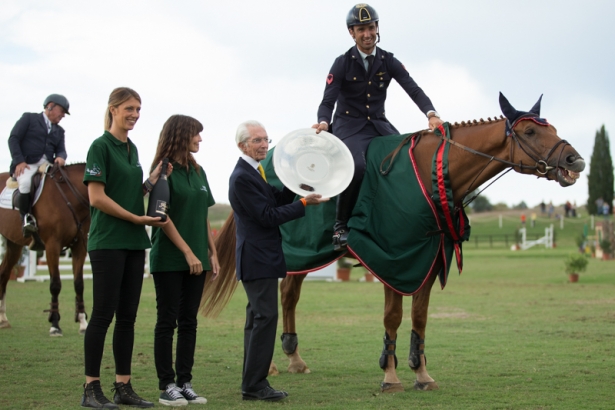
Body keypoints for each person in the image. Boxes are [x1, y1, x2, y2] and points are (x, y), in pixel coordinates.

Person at [312, 3, 444, 251]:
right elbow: (327, 101)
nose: (367, 34)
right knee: (358, 166)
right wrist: (322, 121)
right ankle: (341, 226)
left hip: (379, 126)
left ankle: (397, 220)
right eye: (361, 29)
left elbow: (413, 88)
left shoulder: (388, 60)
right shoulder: (341, 63)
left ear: (377, 28)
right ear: (352, 32)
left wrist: (431, 114)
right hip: (348, 127)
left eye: (371, 27)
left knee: (407, 160)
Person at [81, 87, 168, 409]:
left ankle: (123, 386)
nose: (134, 114)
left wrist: (151, 180)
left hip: (133, 242)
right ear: (113, 109)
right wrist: (136, 218)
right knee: (102, 315)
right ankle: (91, 389)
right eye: (129, 108)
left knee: (128, 318)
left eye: (138, 109)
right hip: (108, 241)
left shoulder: (131, 149)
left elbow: (131, 191)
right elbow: (97, 198)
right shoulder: (99, 146)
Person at [229, 120, 327, 401]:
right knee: (265, 318)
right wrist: (304, 205)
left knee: (256, 319)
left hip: (263, 258)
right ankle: (256, 384)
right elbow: (268, 216)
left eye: (266, 140)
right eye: (257, 141)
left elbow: (277, 198)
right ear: (242, 145)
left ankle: (252, 383)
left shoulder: (256, 174)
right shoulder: (242, 178)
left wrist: (299, 182)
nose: (264, 145)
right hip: (256, 259)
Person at [149, 115, 219, 406]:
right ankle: (167, 385)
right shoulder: (162, 171)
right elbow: (162, 217)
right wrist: (188, 252)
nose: (200, 139)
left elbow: (203, 215)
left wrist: (211, 253)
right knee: (167, 321)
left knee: (189, 321)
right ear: (180, 135)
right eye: (196, 134)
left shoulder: (199, 171)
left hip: (198, 259)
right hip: (169, 258)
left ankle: (184, 382)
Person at [8, 94, 70, 237]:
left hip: (47, 164)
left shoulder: (59, 131)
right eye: (62, 111)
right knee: (24, 183)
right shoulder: (29, 119)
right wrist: (19, 161)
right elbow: (14, 139)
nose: (63, 115)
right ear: (50, 106)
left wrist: (61, 157)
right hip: (26, 164)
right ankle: (26, 219)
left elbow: (61, 149)